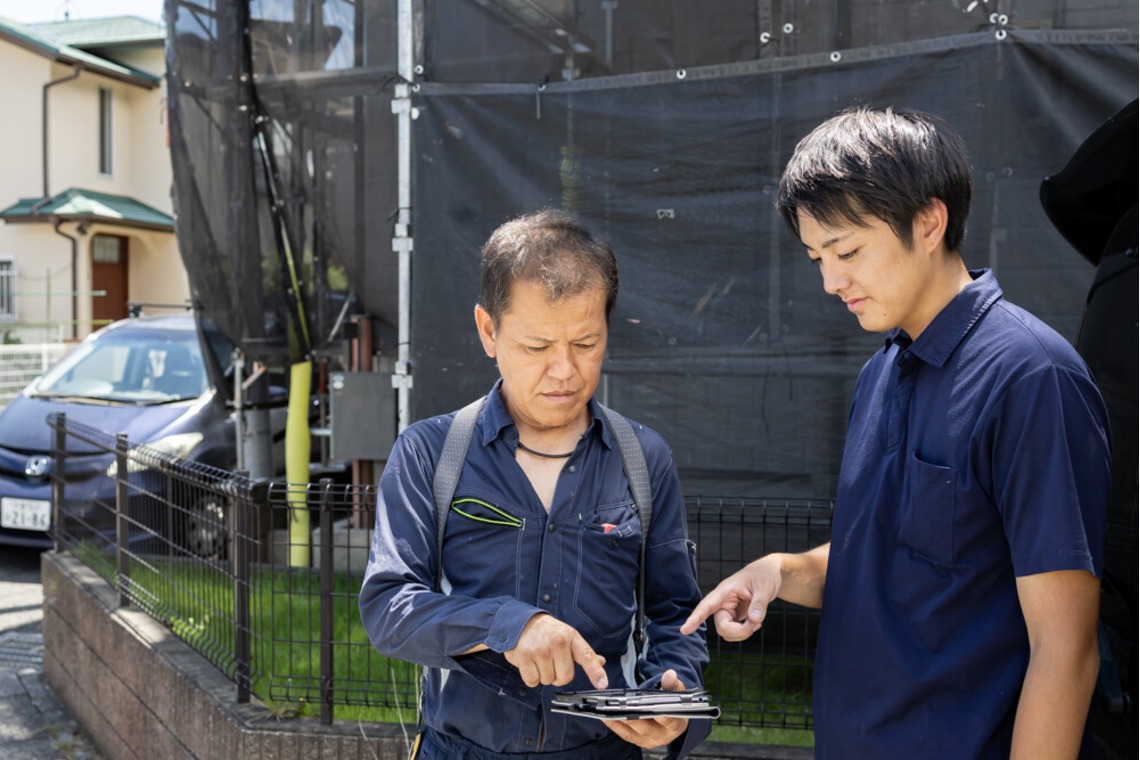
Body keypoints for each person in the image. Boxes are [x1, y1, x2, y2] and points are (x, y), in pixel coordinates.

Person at [681, 107, 1110, 759]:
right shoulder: (882, 371)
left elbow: (1066, 647)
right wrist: (778, 571)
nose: (831, 281)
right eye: (817, 257)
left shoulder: (1031, 377)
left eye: (847, 251)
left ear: (930, 223)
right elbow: (892, 557)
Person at [359, 210, 710, 759]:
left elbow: (675, 613)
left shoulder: (644, 459)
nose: (564, 370)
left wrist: (674, 698)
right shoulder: (431, 453)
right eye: (537, 346)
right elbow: (390, 609)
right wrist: (508, 625)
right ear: (489, 331)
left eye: (586, 343)